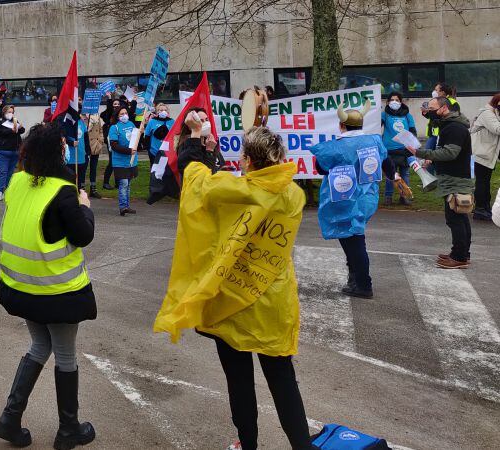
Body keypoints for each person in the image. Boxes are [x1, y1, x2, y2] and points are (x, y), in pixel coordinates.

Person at [154, 126, 314, 450]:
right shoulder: (294, 196)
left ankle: (248, 445)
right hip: (273, 304)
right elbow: (250, 188)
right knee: (283, 381)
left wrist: (200, 143)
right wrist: (216, 154)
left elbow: (197, 181)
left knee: (239, 383)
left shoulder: (232, 191)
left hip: (232, 304)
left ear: (247, 161)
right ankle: (302, 446)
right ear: (279, 158)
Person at [0, 122, 96, 450]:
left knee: (39, 346)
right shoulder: (62, 191)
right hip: (56, 292)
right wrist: (85, 208)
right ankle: (69, 430)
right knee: (65, 355)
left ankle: (10, 418)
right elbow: (83, 236)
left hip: (22, 288)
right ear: (59, 152)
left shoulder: (17, 183)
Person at [310, 101, 390, 298]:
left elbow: (320, 168)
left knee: (354, 241)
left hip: (345, 200)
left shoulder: (335, 147)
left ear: (341, 125)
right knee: (352, 238)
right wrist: (394, 178)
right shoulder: (374, 141)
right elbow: (387, 162)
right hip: (367, 199)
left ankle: (363, 284)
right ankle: (355, 277)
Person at [411, 96, 475, 269]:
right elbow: (445, 151)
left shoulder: (454, 128)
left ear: (444, 108)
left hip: (456, 179)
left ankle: (459, 257)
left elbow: (450, 153)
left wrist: (422, 153)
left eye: (432, 108)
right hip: (453, 177)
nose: (429, 111)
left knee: (456, 218)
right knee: (458, 216)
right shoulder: (449, 126)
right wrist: (433, 159)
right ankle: (460, 253)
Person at [381, 92, 417, 205]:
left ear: (401, 102)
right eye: (392, 100)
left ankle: (404, 196)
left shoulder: (407, 115)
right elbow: (376, 125)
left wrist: (411, 145)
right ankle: (388, 196)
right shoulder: (384, 114)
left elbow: (412, 131)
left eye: (397, 100)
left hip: (404, 150)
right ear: (387, 102)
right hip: (389, 150)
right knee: (390, 174)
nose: (394, 102)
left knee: (405, 174)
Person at [470, 93, 500, 221]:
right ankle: (480, 209)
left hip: (487, 153)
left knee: (484, 182)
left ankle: (485, 208)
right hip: (481, 153)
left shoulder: (493, 113)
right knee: (482, 182)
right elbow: (497, 129)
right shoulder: (487, 114)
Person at [106, 107, 138, 215]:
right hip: (120, 161)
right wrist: (128, 151)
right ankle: (123, 206)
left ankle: (127, 206)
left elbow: (136, 139)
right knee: (123, 183)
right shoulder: (114, 128)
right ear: (117, 116)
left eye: (125, 113)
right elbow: (114, 146)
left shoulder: (131, 124)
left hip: (131, 160)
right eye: (121, 114)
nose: (124, 115)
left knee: (128, 184)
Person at [176, 108, 223, 175]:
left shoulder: (209, 142)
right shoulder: (186, 146)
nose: (206, 123)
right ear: (190, 126)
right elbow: (200, 175)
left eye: (206, 120)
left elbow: (220, 165)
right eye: (201, 121)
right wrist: (209, 151)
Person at [0, 104, 25, 201]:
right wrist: (11, 131)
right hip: (2, 151)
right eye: (9, 112)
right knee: (3, 171)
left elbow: (22, 131)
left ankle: (6, 190)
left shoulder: (15, 121)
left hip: (14, 151)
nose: (10, 114)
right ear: (4, 112)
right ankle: (0, 191)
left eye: (12, 112)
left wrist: (20, 127)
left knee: (10, 172)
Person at [424, 83, 459, 150]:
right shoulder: (436, 100)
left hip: (442, 132)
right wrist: (426, 113)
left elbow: (450, 117)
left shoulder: (452, 102)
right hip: (433, 132)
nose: (434, 92)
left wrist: (432, 112)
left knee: (434, 154)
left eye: (436, 90)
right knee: (428, 155)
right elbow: (432, 116)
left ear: (442, 92)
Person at [64, 115, 92, 189]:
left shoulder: (81, 122)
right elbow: (62, 137)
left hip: (81, 156)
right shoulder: (66, 122)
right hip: (70, 158)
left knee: (80, 180)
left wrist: (88, 152)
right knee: (70, 180)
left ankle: (79, 195)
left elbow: (86, 138)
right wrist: (71, 142)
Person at [83, 113, 105, 198]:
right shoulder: (82, 116)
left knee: (93, 168)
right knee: (83, 169)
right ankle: (82, 189)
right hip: (86, 145)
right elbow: (85, 131)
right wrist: (88, 120)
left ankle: (93, 189)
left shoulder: (97, 115)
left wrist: (101, 141)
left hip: (96, 145)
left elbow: (100, 130)